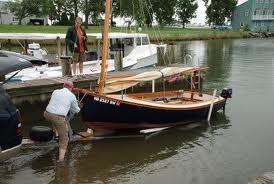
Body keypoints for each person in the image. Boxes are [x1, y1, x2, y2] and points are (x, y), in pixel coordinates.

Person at [44, 81, 80, 162]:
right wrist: (79, 108)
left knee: (54, 119)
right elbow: (75, 109)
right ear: (71, 88)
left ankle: (56, 134)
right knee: (64, 139)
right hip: (57, 118)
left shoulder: (55, 91)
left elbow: (57, 103)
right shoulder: (72, 96)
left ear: (63, 86)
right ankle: (61, 160)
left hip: (47, 114)